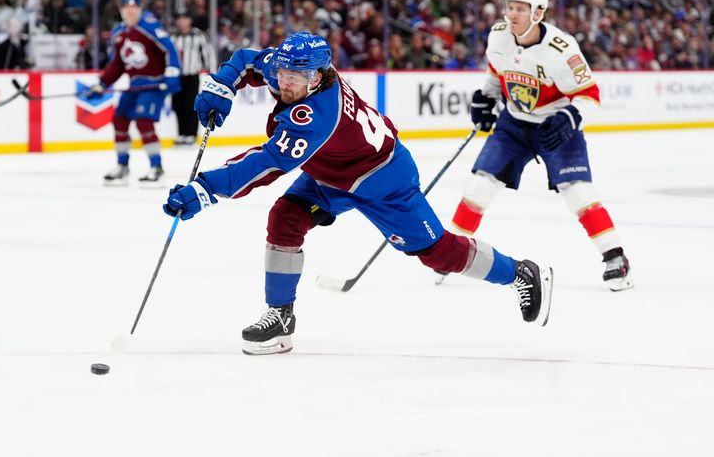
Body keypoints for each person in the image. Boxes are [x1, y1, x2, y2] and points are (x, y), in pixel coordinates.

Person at [162, 31, 554, 356]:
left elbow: (265, 165)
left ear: (318, 78)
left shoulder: (314, 115)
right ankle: (280, 317)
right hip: (331, 176)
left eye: (296, 79)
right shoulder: (294, 71)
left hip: (385, 182)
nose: (285, 84)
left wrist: (204, 189)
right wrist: (222, 85)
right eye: (282, 74)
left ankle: (519, 272)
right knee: (286, 218)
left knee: (438, 253)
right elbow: (248, 58)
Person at [447, 0, 632, 291]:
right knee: (479, 186)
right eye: (510, 7)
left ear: (539, 13)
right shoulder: (499, 36)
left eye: (521, 9)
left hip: (554, 127)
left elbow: (589, 94)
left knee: (577, 192)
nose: (513, 14)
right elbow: (496, 72)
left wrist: (570, 116)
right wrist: (486, 97)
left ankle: (615, 258)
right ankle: (451, 254)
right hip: (514, 125)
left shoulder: (562, 48)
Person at [86, 0, 181, 185]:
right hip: (135, 85)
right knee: (119, 119)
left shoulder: (150, 26)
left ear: (140, 8)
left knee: (143, 122)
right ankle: (122, 166)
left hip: (154, 83)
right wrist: (102, 83)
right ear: (121, 9)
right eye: (127, 7)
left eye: (134, 7)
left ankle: (156, 167)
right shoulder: (118, 33)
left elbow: (170, 49)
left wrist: (172, 73)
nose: (130, 11)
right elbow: (117, 64)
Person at [171, 11, 216, 145]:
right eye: (178, 19)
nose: (181, 21)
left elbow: (209, 54)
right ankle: (182, 133)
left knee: (190, 104)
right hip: (177, 76)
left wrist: (212, 73)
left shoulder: (199, 36)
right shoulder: (173, 37)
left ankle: (191, 134)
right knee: (178, 105)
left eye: (184, 18)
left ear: (189, 20)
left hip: (192, 75)